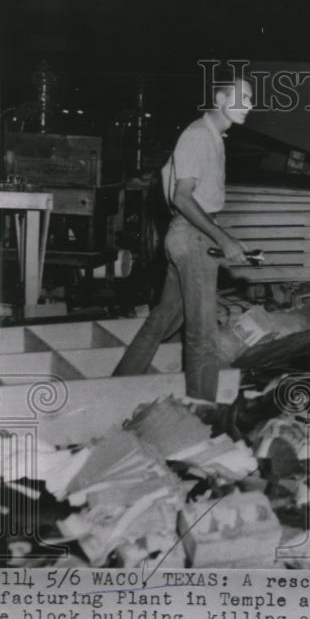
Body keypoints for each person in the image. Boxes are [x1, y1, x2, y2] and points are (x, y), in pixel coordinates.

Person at [113, 77, 252, 400]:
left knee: (165, 318)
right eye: (242, 97)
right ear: (221, 99)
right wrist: (223, 239)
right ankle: (202, 411)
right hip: (193, 237)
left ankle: (117, 385)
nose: (249, 105)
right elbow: (182, 197)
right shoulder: (197, 135)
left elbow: (180, 187)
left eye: (250, 99)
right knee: (203, 333)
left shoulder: (214, 136)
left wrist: (217, 235)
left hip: (192, 235)